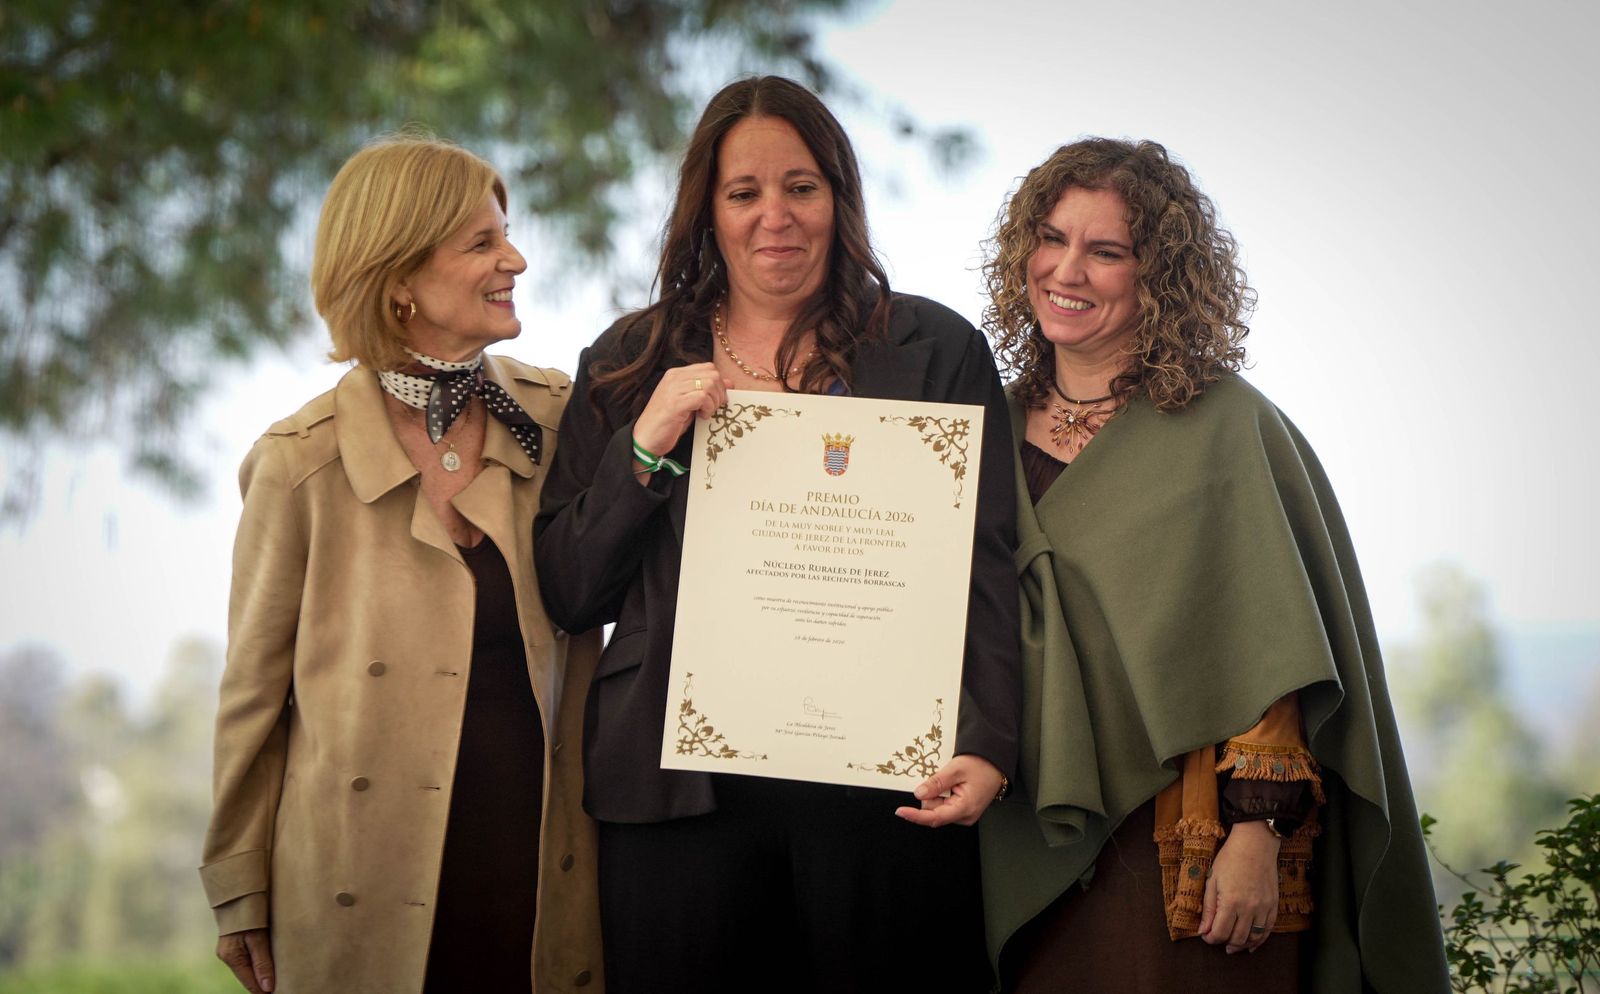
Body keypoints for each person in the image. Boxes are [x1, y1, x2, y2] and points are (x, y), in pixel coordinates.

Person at [533, 76, 1019, 993]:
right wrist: (645, 446)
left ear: (838, 196)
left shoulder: (935, 348)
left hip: (886, 787)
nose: (776, 218)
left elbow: (985, 564)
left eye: (801, 187)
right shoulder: (628, 361)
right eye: (744, 193)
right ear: (705, 212)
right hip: (676, 792)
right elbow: (570, 589)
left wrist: (990, 740)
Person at [976, 138, 1449, 992]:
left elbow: (1273, 651)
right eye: (1051, 239)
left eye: (1106, 251)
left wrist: (1257, 835)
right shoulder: (983, 430)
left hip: (1179, 851)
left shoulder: (1224, 424)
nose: (1068, 269)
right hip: (1016, 831)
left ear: (1158, 274)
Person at [199, 133, 603, 994]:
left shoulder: (562, 419)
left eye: (509, 234)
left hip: (546, 871)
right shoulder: (296, 463)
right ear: (398, 279)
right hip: (359, 881)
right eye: (482, 243)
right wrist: (238, 888)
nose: (516, 259)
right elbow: (252, 699)